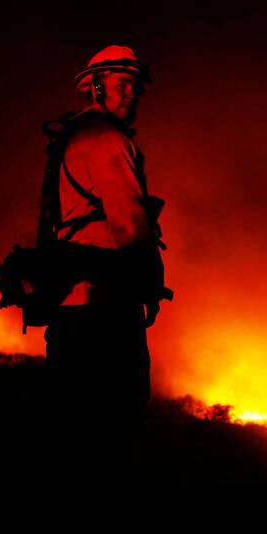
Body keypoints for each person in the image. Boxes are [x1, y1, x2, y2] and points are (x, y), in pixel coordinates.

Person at [43, 45, 171, 482]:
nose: (132, 94)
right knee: (116, 430)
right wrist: (150, 285)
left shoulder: (71, 139)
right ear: (95, 86)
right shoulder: (110, 141)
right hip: (106, 311)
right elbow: (130, 222)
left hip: (70, 310)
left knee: (73, 436)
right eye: (122, 85)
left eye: (135, 87)